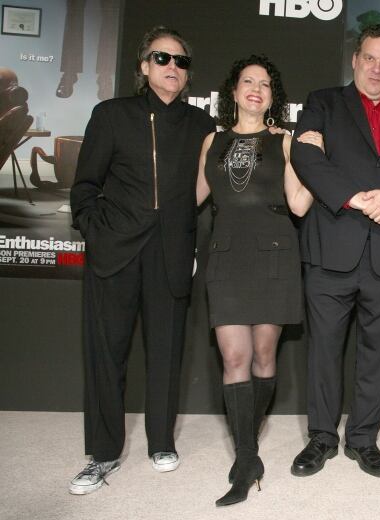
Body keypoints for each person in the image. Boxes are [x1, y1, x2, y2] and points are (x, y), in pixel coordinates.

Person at [68, 26, 215, 495]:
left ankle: (161, 442)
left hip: (170, 253)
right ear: (143, 66)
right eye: (161, 58)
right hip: (114, 251)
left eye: (180, 61)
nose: (172, 67)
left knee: (167, 355)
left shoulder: (200, 125)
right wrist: (96, 229)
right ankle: (103, 453)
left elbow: (209, 187)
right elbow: (84, 186)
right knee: (106, 356)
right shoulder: (111, 115)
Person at [290, 23, 380, 479]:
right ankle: (321, 438)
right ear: (355, 59)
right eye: (369, 58)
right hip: (332, 247)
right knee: (324, 351)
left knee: (379, 352)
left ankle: (363, 439)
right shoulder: (322, 102)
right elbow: (306, 157)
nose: (377, 69)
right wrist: (356, 197)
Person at [195, 55, 315, 507]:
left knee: (264, 356)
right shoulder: (213, 141)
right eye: (248, 81)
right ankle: (247, 458)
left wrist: (317, 161)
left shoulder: (284, 142)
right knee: (235, 356)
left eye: (265, 84)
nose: (256, 88)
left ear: (272, 97)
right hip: (226, 255)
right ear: (233, 91)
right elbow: (192, 196)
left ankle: (249, 440)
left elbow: (300, 205)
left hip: (274, 255)